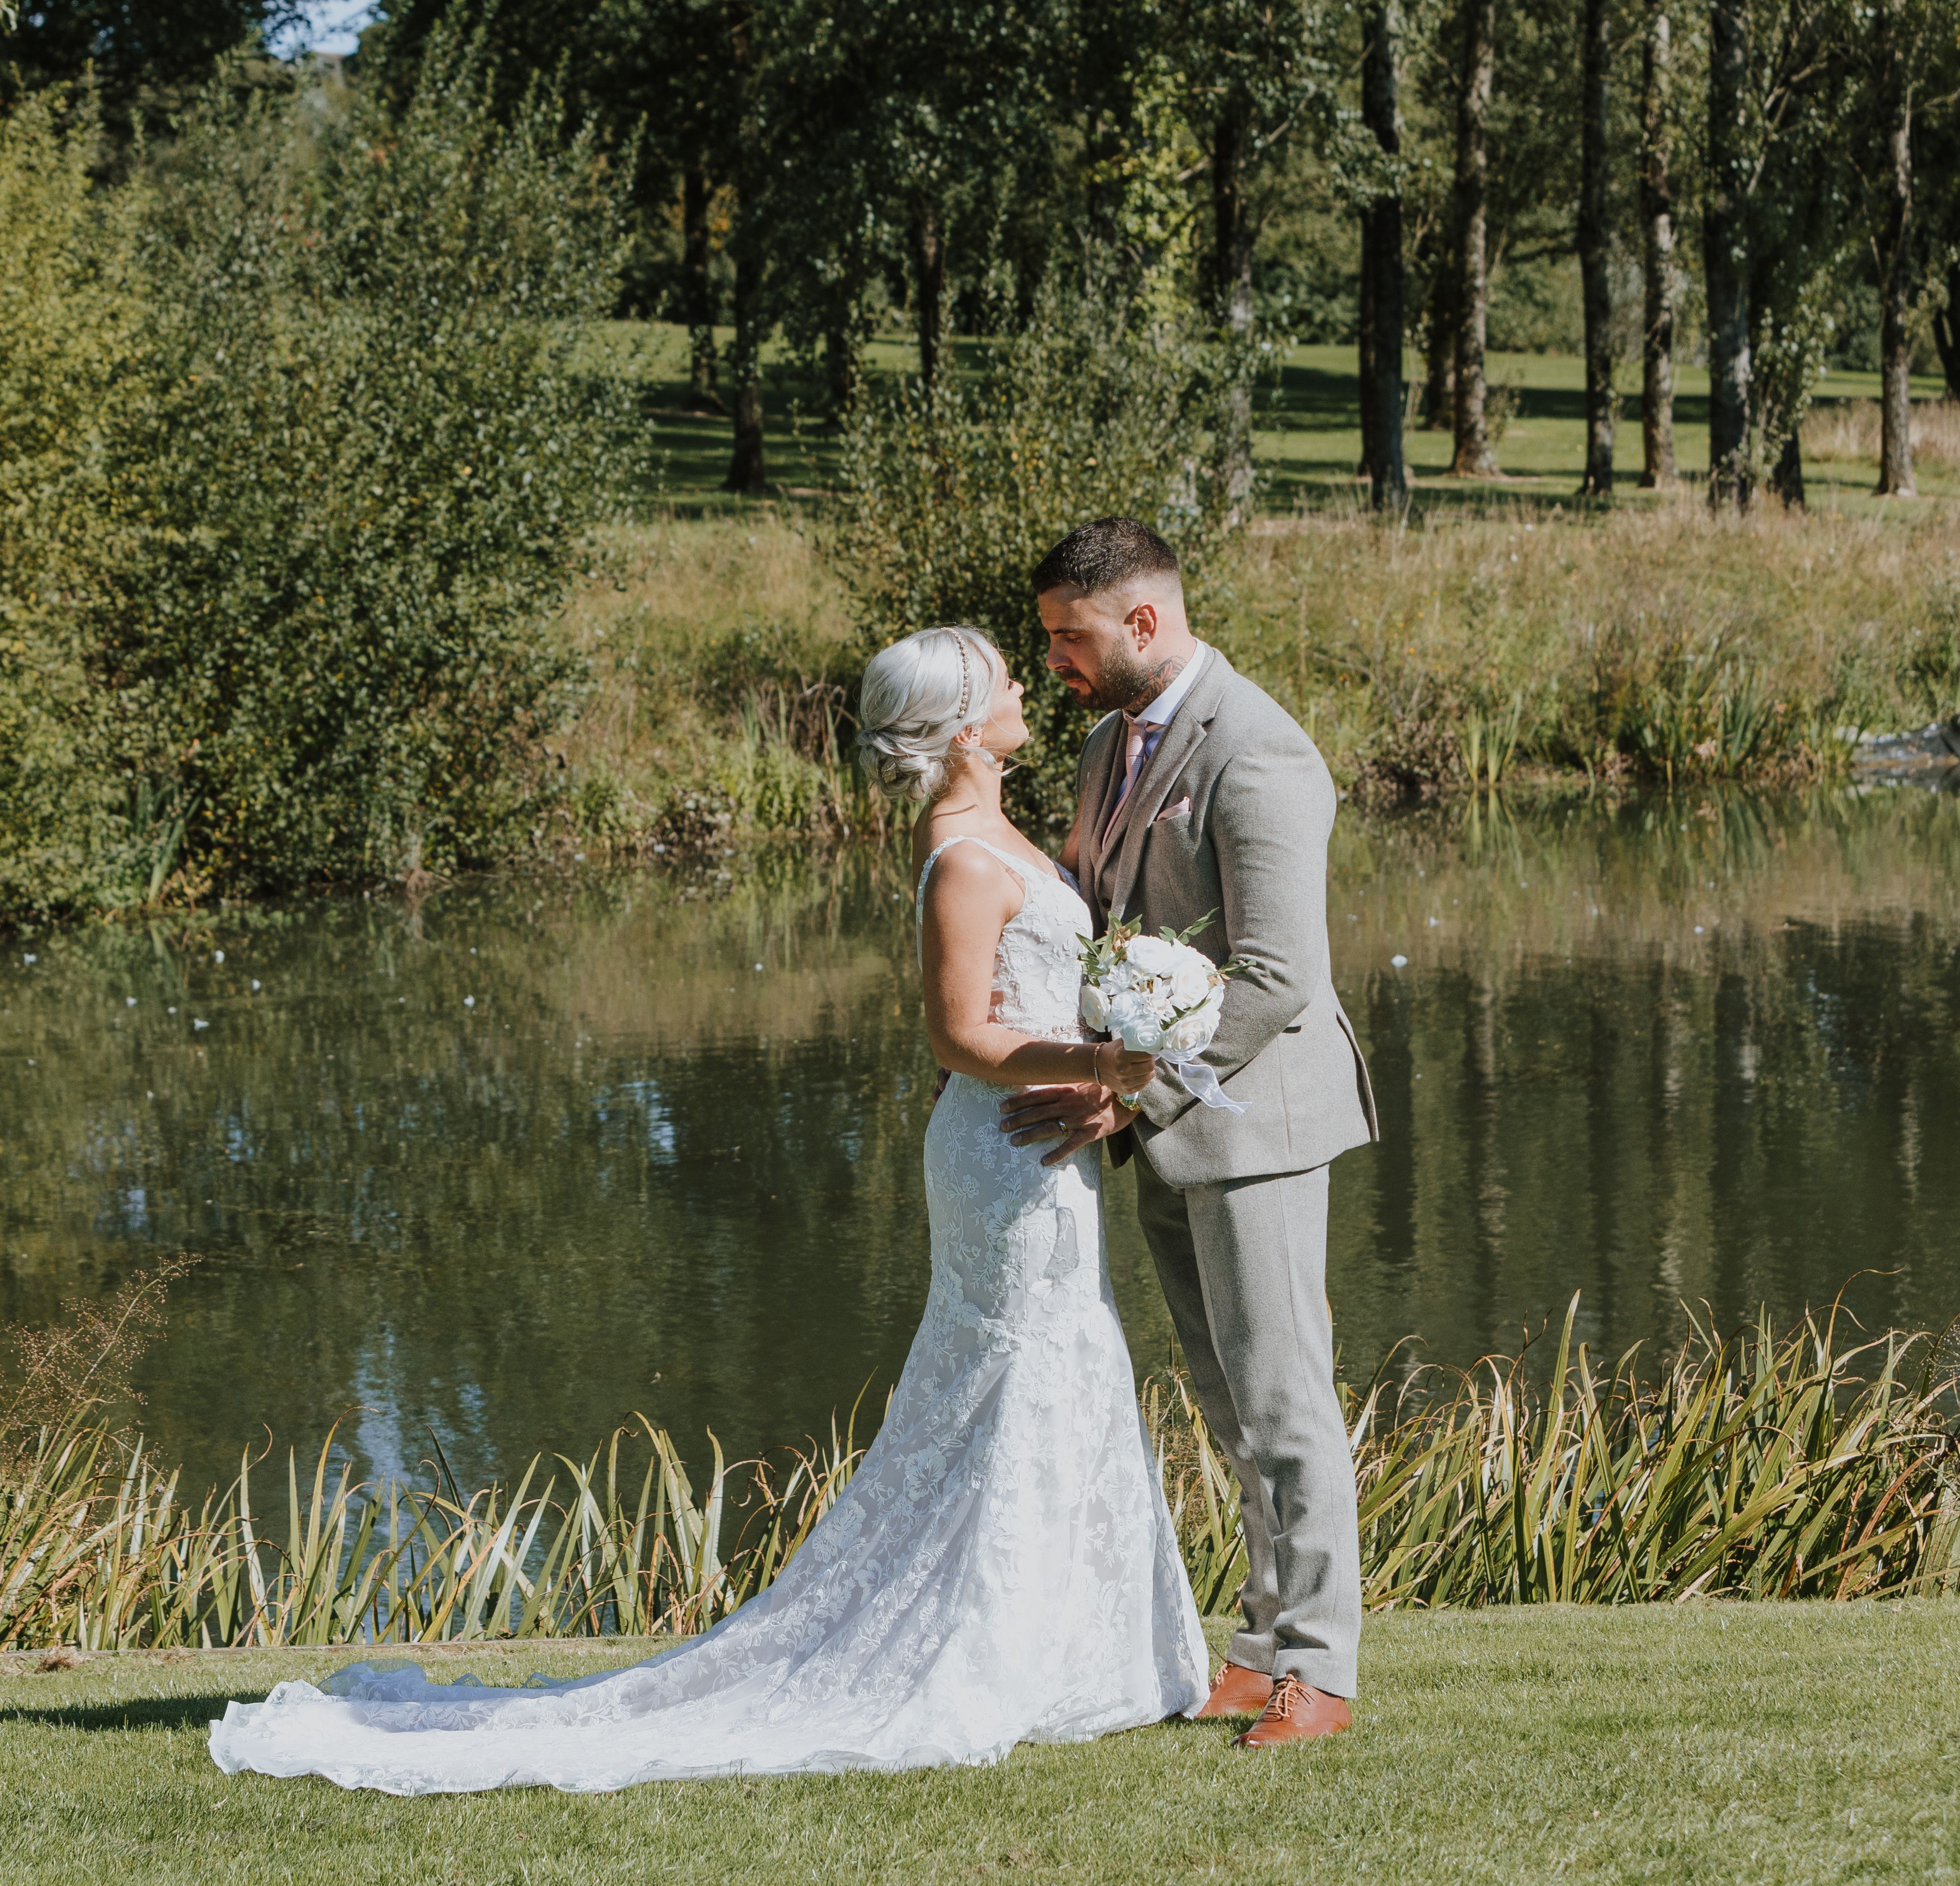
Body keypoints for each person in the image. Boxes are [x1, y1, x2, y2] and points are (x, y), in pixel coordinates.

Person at [207, 625, 1206, 1795]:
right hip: (1005, 1148)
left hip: (1038, 1140)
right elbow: (956, 1034)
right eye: (1003, 680)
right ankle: (986, 1650)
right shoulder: (965, 857)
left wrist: (1112, 1040)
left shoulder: (1000, 833)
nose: (1026, 688)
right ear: (961, 723)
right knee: (1019, 1363)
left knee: (1060, 1356)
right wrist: (1103, 1063)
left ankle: (1071, 1646)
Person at [997, 516, 1378, 1749]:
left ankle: (1318, 1672)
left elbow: (1274, 977)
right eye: (1050, 636)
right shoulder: (1113, 738)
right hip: (1164, 1120)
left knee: (1284, 1400)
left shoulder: (1261, 751)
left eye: (1072, 635)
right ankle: (1262, 1646)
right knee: (1225, 1401)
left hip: (1249, 1121)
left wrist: (1134, 1088)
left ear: (1145, 621)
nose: (1055, 656)